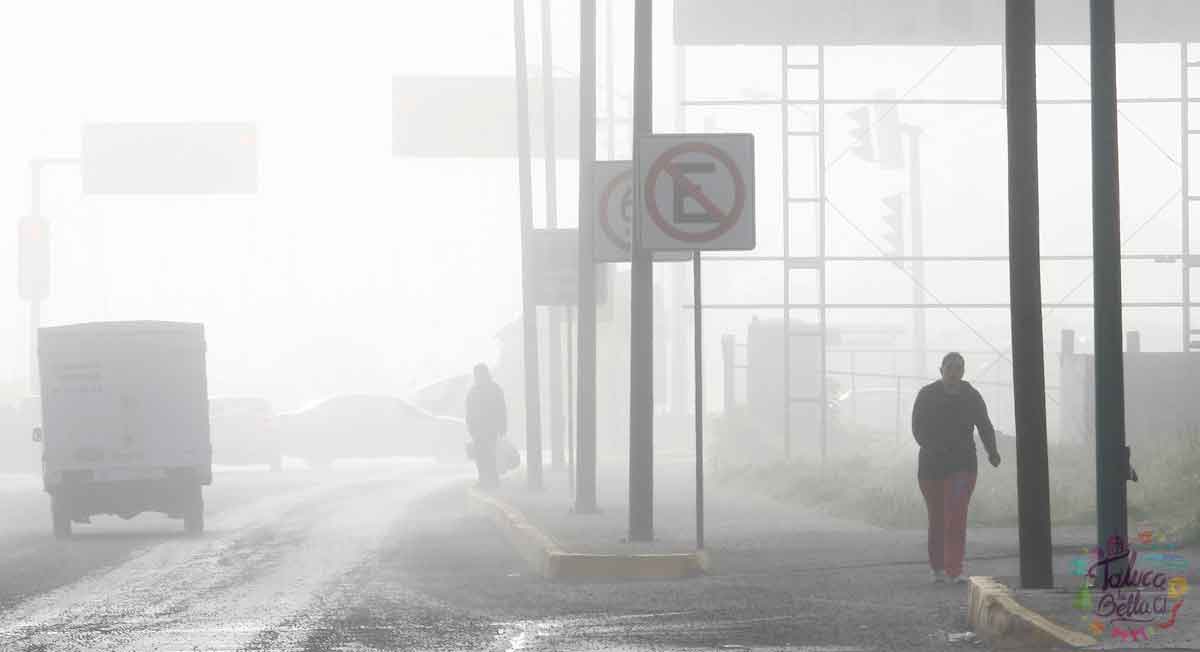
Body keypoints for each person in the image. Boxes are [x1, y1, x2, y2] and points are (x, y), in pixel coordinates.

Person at [911, 352, 1001, 584]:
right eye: (949, 367)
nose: (954, 372)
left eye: (958, 367)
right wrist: (933, 448)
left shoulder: (971, 396)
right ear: (941, 370)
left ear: (963, 371)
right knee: (938, 517)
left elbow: (984, 426)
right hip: (931, 469)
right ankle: (937, 567)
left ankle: (954, 569)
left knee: (956, 515)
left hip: (962, 467)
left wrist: (992, 451)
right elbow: (917, 428)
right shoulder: (927, 395)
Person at [465, 363, 507, 489]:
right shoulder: (494, 389)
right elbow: (502, 409)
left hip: (483, 429)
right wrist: (503, 426)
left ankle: (486, 479)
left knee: (483, 455)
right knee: (487, 454)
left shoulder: (474, 391)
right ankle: (491, 480)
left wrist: (470, 427)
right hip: (487, 428)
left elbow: (469, 412)